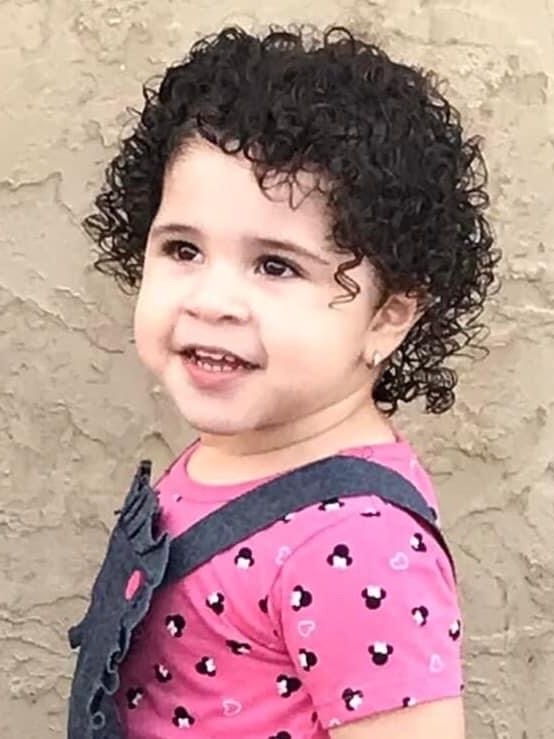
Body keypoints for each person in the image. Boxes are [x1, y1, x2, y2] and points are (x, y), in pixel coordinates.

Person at [73, 23, 499, 739]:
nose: (212, 300)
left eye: (275, 265)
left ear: (387, 316)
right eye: (183, 249)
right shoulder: (245, 451)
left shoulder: (353, 546)